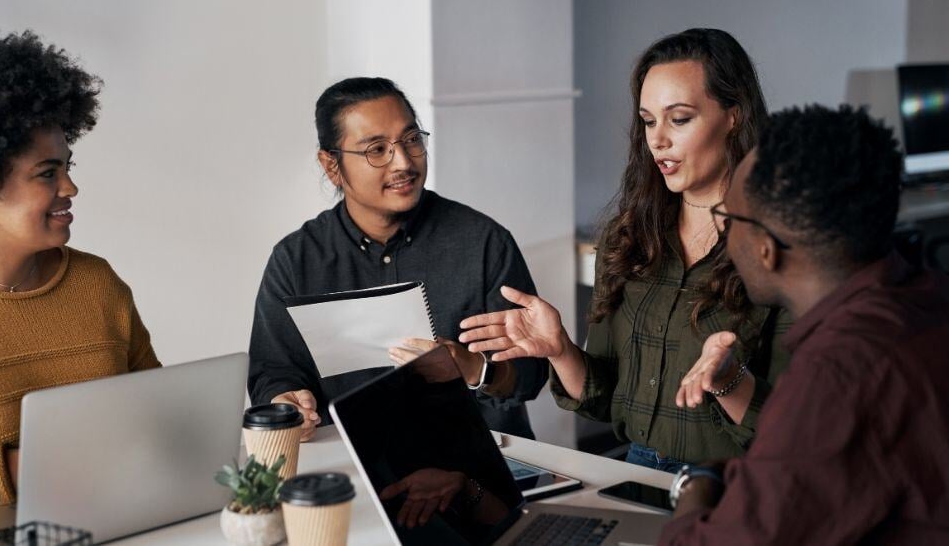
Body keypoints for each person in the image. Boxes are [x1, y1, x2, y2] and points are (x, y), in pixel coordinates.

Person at [460, 28, 791, 472]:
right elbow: (604, 400)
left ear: (733, 116)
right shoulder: (630, 236)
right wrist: (560, 349)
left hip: (734, 491)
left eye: (679, 118)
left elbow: (797, 431)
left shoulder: (782, 249)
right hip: (633, 473)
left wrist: (729, 378)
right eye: (649, 121)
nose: (658, 140)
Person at [661, 105, 949, 544]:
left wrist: (695, 484)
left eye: (730, 219)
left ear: (765, 249)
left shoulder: (842, 371)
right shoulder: (926, 298)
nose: (725, 234)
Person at [248, 77, 548, 441]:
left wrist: (474, 369)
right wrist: (288, 399)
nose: (403, 162)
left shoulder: (483, 242)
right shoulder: (296, 259)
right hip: (355, 461)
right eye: (376, 149)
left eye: (411, 140)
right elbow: (273, 369)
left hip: (477, 463)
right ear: (331, 165)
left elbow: (530, 373)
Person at [0, 25, 161, 505]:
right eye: (47, 173)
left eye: (68, 167)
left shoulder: (95, 283)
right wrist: (11, 468)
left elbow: (159, 411)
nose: (70, 188)